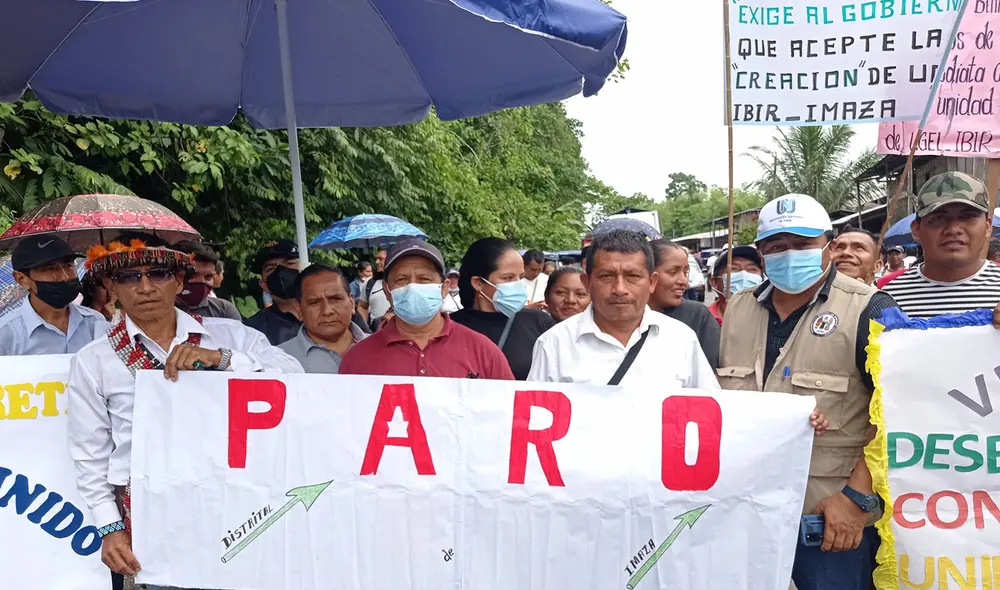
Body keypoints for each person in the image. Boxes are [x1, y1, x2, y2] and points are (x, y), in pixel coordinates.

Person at [66, 234, 302, 590]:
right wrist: (111, 529)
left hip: (237, 502)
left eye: (158, 273)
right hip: (150, 516)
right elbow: (90, 455)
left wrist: (222, 360)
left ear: (178, 281)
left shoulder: (231, 337)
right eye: (129, 277)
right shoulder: (93, 361)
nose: (144, 286)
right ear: (111, 286)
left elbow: (296, 380)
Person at [717, 194, 898, 590]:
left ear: (829, 247)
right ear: (762, 253)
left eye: (802, 243)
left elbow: (897, 414)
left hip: (827, 516)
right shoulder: (738, 309)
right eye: (777, 246)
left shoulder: (870, 308)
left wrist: (857, 498)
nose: (789, 254)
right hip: (744, 511)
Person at [527, 230, 718, 388]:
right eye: (607, 276)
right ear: (587, 282)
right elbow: (536, 417)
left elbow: (707, 413)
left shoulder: (682, 340)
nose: (619, 289)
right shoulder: (553, 344)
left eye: (632, 276)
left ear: (652, 282)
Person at [339, 239, 514, 380]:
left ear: (444, 288)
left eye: (424, 279)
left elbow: (509, 416)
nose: (413, 286)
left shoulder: (483, 351)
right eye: (401, 279)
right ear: (387, 290)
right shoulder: (357, 360)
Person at [883, 172, 1000, 318]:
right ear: (917, 229)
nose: (953, 229)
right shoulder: (884, 299)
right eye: (938, 218)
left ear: (988, 227)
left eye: (968, 216)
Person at [451, 238, 554, 380]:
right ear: (478, 283)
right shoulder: (449, 328)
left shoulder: (539, 323)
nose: (518, 285)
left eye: (521, 277)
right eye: (508, 278)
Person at [0, 234, 108, 355]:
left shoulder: (95, 321)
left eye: (68, 266)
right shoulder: (5, 334)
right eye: (50, 269)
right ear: (22, 279)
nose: (64, 276)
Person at [280, 265, 368, 373]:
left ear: (351, 302)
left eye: (335, 299)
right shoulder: (278, 360)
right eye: (314, 303)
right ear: (299, 309)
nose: (327, 311)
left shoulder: (383, 349)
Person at [648, 239, 720, 368]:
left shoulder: (697, 316)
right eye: (672, 272)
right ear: (648, 275)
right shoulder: (621, 318)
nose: (684, 282)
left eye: (685, 272)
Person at [243, 239, 301, 345]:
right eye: (270, 269)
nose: (281, 271)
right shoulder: (252, 330)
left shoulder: (328, 314)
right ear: (263, 284)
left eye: (290, 263)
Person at [172, 240, 242, 320]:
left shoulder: (225, 312)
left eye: (208, 277)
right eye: (193, 275)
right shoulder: (159, 311)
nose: (202, 281)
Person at [706, 244, 763, 325]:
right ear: (714, 282)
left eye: (752, 269)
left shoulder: (768, 321)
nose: (744, 275)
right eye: (734, 269)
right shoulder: (703, 321)